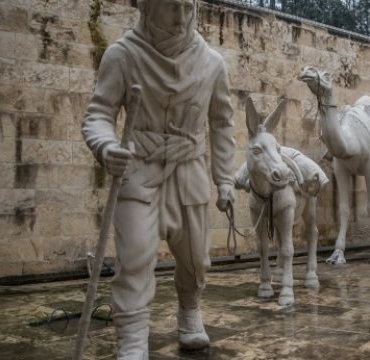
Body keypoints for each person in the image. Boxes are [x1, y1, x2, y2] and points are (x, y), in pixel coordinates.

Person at [82, 0, 236, 357]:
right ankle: (133, 337)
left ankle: (190, 312)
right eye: (171, 7)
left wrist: (224, 179)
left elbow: (222, 123)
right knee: (134, 258)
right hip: (139, 170)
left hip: (190, 172)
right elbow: (99, 114)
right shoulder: (123, 55)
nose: (181, 18)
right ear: (148, 7)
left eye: (187, 7)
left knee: (197, 260)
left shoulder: (212, 63)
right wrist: (106, 147)